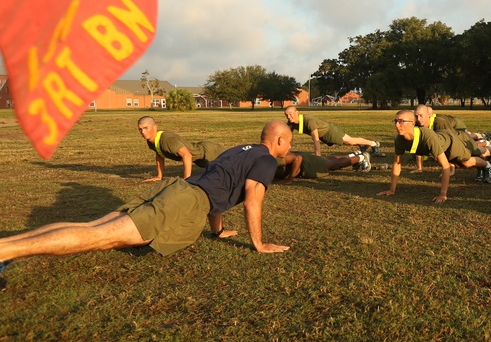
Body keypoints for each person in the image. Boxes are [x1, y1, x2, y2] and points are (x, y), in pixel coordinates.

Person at [0, 121, 294, 267]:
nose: (289, 149)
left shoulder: (239, 150)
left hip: (178, 188)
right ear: (279, 139)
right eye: (289, 143)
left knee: (93, 227)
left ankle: (6, 244)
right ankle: (5, 252)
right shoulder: (267, 160)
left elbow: (216, 185)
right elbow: (252, 200)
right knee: (100, 237)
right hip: (184, 201)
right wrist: (259, 244)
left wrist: (216, 231)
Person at [378, 110, 491, 204]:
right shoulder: (399, 140)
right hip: (441, 146)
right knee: (469, 158)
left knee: (467, 161)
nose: (397, 125)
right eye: (395, 121)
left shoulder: (427, 135)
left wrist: (443, 194)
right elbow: (397, 164)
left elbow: (445, 166)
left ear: (412, 123)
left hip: (452, 143)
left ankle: (489, 164)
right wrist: (392, 190)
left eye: (401, 121)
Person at [137, 116, 225, 181]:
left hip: (209, 152)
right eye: (140, 129)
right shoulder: (151, 140)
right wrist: (159, 176)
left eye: (146, 128)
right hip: (200, 159)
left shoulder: (166, 139)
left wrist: (187, 179)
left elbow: (187, 155)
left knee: (236, 157)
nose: (143, 132)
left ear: (155, 127)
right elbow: (159, 155)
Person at [283, 106, 380, 156]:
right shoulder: (291, 123)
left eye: (291, 114)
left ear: (297, 112)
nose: (289, 117)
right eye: (286, 115)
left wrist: (318, 157)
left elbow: (316, 140)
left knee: (350, 141)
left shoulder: (308, 120)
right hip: (323, 136)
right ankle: (363, 145)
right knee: (350, 142)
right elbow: (288, 137)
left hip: (329, 131)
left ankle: (374, 144)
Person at [273, 150, 371, 182]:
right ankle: (353, 155)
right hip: (305, 159)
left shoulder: (273, 160)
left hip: (307, 164)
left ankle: (361, 158)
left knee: (332, 164)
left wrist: (290, 179)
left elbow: (297, 158)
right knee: (327, 160)